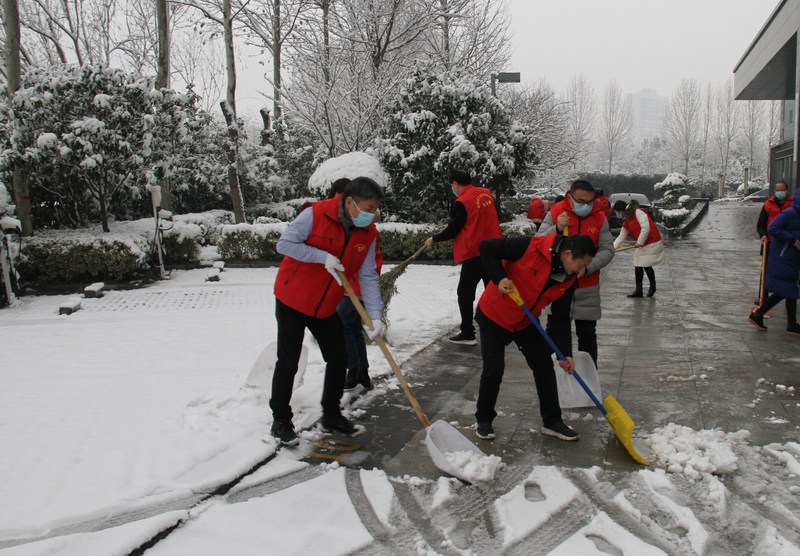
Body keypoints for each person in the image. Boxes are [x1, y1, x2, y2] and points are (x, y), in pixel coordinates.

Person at [270, 177, 384, 445]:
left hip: (325, 305)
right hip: (293, 299)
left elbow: (368, 277)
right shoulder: (314, 214)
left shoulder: (368, 234)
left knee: (339, 357)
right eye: (367, 208)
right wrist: (321, 257)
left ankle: (331, 414)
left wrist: (375, 315)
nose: (371, 215)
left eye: (375, 209)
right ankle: (280, 420)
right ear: (349, 202)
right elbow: (284, 244)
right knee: (288, 361)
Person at [474, 233, 597, 441]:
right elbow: (486, 245)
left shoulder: (569, 277)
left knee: (544, 367)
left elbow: (560, 316)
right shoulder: (530, 247)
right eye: (581, 264)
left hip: (525, 320)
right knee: (493, 371)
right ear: (567, 254)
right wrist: (500, 277)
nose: (581, 270)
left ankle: (552, 421)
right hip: (495, 314)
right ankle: (484, 419)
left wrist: (564, 353)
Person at [536, 180, 614, 367]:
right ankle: (551, 378)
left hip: (587, 287)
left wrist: (587, 267)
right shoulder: (555, 212)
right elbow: (537, 241)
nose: (585, 206)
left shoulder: (599, 216)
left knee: (587, 335)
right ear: (569, 197)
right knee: (554, 333)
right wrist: (556, 228)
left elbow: (607, 250)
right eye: (580, 201)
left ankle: (588, 377)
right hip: (558, 284)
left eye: (589, 202)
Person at [425, 169, 502, 346]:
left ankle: (467, 332)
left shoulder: (462, 202)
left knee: (465, 293)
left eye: (452, 185)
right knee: (495, 289)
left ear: (455, 184)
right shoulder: (486, 193)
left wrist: (434, 239)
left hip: (475, 252)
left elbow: (454, 228)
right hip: (494, 249)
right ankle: (500, 327)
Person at [748, 187, 800, 336]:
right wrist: (793, 240)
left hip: (792, 258)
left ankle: (790, 324)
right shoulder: (790, 214)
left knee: (789, 290)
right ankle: (760, 316)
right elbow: (773, 228)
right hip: (783, 257)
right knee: (787, 289)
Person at [612, 200, 665, 297]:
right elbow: (621, 236)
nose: (617, 214)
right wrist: (612, 248)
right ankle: (639, 290)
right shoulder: (626, 219)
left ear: (621, 210)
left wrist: (639, 242)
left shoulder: (638, 212)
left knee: (645, 264)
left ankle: (651, 287)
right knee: (638, 264)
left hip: (651, 241)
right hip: (642, 244)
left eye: (617, 212)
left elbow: (646, 228)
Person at [755, 181, 793, 303]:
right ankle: (763, 296)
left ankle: (787, 295)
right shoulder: (768, 204)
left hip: (788, 244)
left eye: (782, 190)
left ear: (787, 191)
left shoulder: (793, 204)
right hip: (770, 242)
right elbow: (761, 224)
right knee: (766, 269)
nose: (779, 192)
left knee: (789, 271)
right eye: (777, 190)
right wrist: (763, 235)